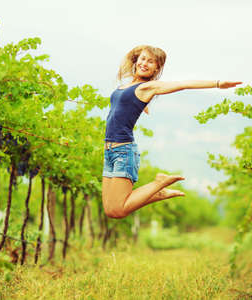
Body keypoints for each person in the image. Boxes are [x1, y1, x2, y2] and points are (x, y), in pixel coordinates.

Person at [102, 45, 242, 219]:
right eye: (143, 58)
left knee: (119, 211)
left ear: (156, 68)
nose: (145, 63)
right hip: (109, 151)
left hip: (123, 151)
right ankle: (158, 193)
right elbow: (124, 108)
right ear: (136, 60)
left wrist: (217, 84)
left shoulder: (149, 87)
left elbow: (183, 84)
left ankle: (158, 184)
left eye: (151, 61)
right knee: (110, 210)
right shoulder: (127, 86)